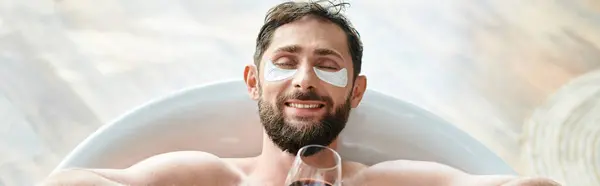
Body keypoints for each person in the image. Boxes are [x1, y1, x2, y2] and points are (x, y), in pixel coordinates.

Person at [39, 1, 561, 185]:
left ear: (356, 92)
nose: (304, 80)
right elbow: (67, 182)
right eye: (285, 62)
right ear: (253, 82)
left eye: (327, 65)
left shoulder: (385, 183)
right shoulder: (208, 176)